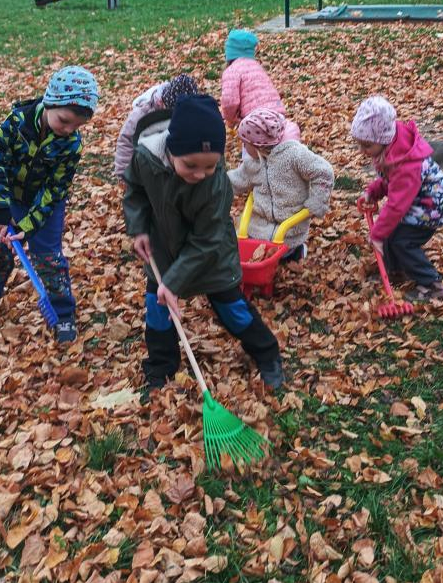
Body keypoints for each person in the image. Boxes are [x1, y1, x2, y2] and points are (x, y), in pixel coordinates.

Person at [123, 93, 284, 391]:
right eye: (191, 165)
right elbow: (135, 191)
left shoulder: (215, 185)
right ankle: (161, 368)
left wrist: (172, 282)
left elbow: (206, 240)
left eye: (210, 166)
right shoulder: (145, 159)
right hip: (164, 249)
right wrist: (139, 229)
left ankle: (267, 354)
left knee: (233, 311)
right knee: (158, 310)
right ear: (171, 151)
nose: (200, 174)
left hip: (211, 256)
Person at [0, 65, 100, 343]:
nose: (69, 129)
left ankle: (62, 313)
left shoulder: (71, 144)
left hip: (44, 205)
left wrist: (30, 224)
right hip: (11, 199)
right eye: (64, 120)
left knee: (48, 258)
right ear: (50, 103)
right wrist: (1, 211)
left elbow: (55, 188)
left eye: (77, 125)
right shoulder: (16, 123)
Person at [351, 95, 443, 303]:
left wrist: (378, 235)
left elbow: (397, 204)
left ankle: (431, 284)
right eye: (359, 145)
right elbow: (390, 182)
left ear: (382, 140)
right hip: (415, 200)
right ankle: (397, 270)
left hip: (432, 205)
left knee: (402, 241)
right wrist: (373, 191)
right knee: (391, 233)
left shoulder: (406, 165)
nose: (362, 151)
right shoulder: (390, 149)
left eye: (367, 146)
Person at [228, 108, 334, 262]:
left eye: (245, 144)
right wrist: (217, 186)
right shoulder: (253, 163)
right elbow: (236, 179)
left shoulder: (293, 155)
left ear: (257, 144)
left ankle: (297, 250)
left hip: (290, 226)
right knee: (244, 248)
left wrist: (317, 202)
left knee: (285, 255)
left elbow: (323, 172)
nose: (243, 148)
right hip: (259, 225)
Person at [220, 29, 299, 141]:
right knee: (274, 145)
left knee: (252, 150)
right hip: (277, 115)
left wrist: (230, 119)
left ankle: (252, 159)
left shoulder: (232, 71)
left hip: (256, 120)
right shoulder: (257, 67)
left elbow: (229, 101)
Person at [113, 73, 198, 178]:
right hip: (145, 157)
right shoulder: (143, 112)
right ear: (163, 103)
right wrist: (123, 173)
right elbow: (126, 140)